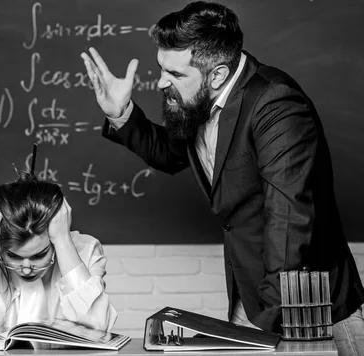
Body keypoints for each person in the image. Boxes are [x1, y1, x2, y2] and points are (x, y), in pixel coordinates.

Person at [81, 1, 364, 354]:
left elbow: (289, 222)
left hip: (308, 305)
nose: (161, 82)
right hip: (251, 294)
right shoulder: (197, 99)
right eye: (161, 68)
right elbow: (170, 155)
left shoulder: (277, 104)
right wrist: (121, 114)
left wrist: (261, 326)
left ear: (217, 74)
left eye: (176, 74)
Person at [0, 171, 117, 332]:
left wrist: (63, 242)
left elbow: (99, 328)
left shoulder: (86, 250)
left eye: (39, 255)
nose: (26, 269)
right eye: (13, 256)